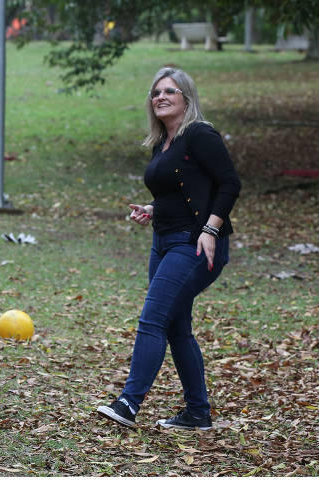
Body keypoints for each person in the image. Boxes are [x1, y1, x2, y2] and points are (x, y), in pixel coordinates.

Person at [97, 67, 241, 431]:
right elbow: (181, 193)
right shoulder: (164, 142)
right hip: (163, 243)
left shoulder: (199, 135)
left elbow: (229, 183)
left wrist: (211, 228)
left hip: (196, 245)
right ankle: (197, 413)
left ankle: (129, 402)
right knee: (177, 328)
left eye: (169, 91)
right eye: (155, 92)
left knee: (154, 318)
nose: (160, 97)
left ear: (186, 98)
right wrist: (152, 209)